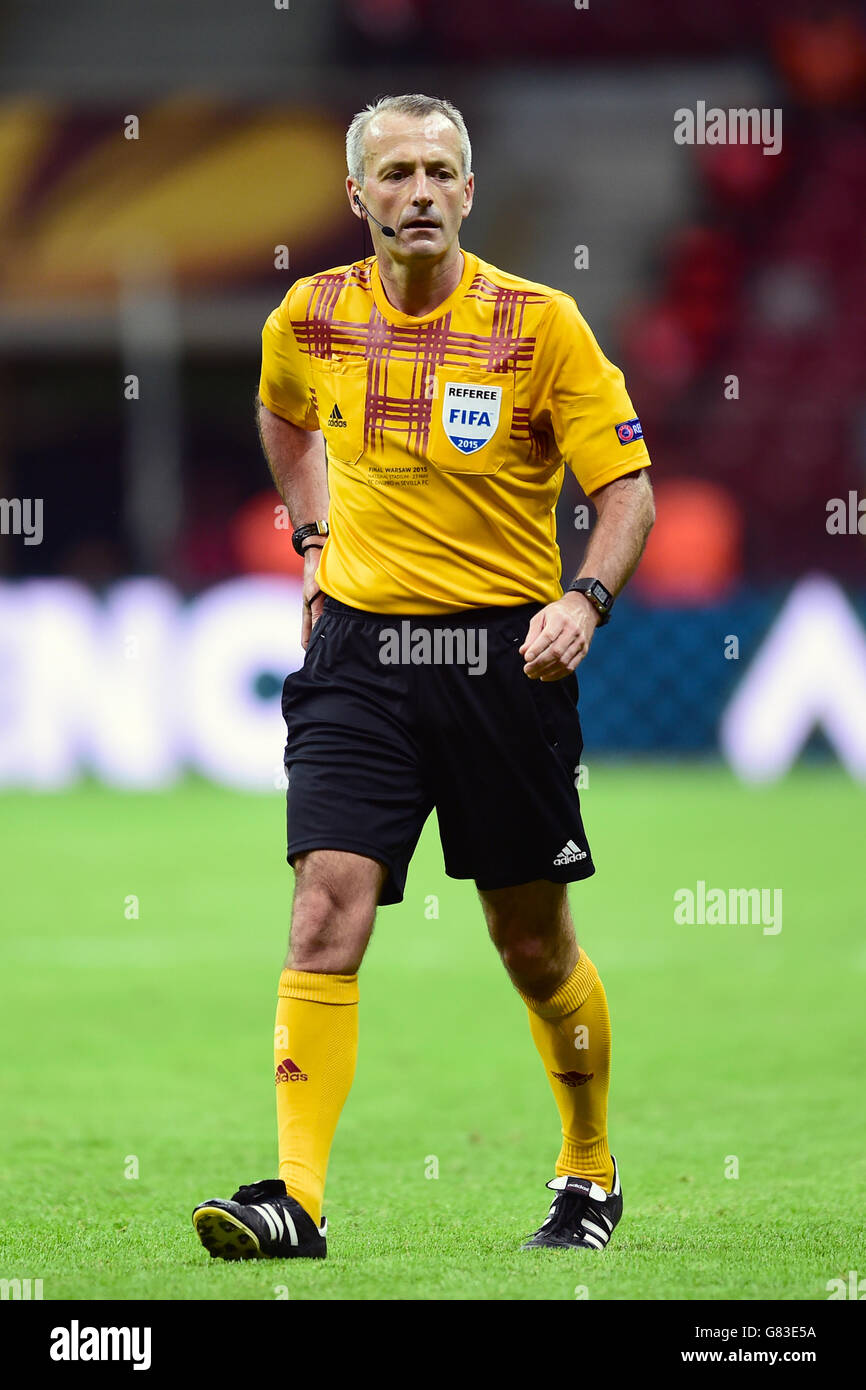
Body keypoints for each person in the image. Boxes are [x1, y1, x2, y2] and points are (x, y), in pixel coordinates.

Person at [192, 92, 654, 1262]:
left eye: (438, 171)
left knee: (532, 945)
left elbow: (627, 493)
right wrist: (310, 541)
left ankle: (588, 1169)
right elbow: (284, 417)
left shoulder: (539, 326)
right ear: (356, 198)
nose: (417, 193)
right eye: (392, 174)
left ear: (466, 188)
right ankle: (296, 1198)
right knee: (322, 906)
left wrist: (581, 599)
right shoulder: (309, 316)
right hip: (359, 659)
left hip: (502, 664)